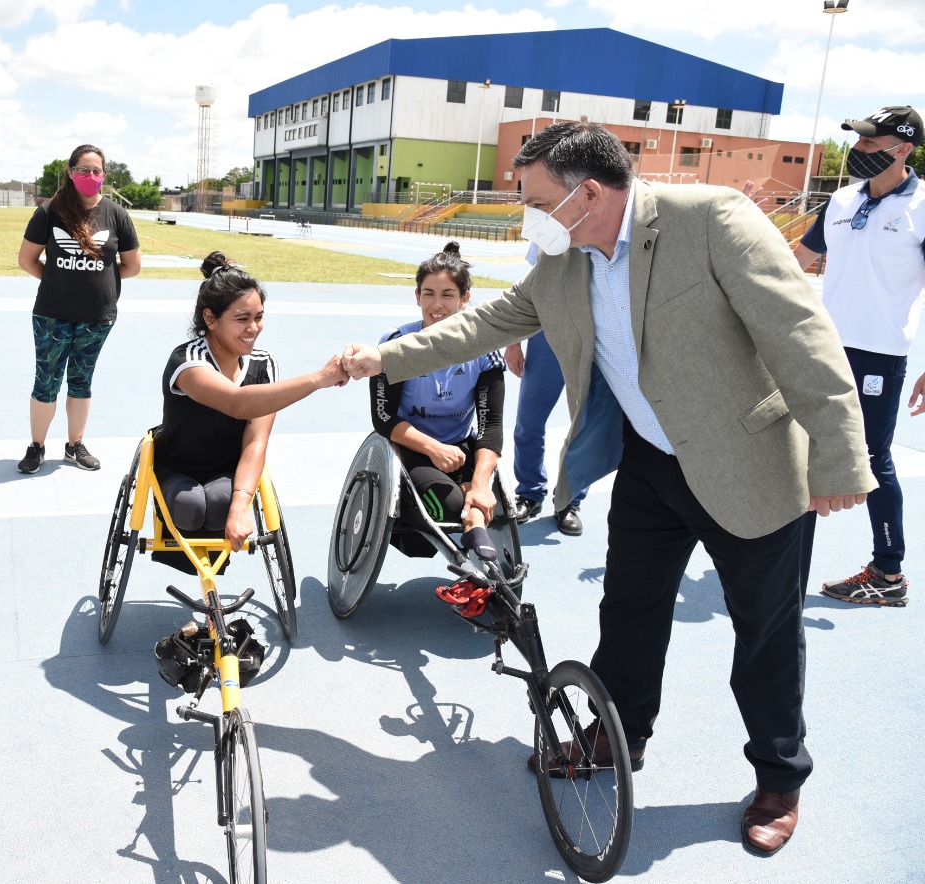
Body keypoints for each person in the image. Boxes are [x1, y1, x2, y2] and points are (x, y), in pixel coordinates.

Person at [341, 121, 875, 857]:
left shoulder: (712, 220)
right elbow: (487, 321)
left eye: (533, 201)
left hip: (747, 460)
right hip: (651, 464)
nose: (524, 215)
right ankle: (620, 732)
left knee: (765, 632)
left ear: (587, 192)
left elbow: (800, 333)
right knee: (628, 609)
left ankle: (779, 778)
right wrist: (384, 358)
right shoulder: (564, 262)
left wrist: (840, 459)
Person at [794, 105, 925, 607]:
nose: (860, 150)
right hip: (823, 348)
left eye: (872, 143)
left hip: (879, 355)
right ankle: (787, 565)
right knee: (802, 449)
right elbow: (797, 261)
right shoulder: (842, 199)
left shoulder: (920, 207)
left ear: (903, 149)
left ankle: (888, 575)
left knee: (870, 459)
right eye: (859, 141)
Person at [156, 252, 347, 550]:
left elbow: (256, 440)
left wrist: (240, 503)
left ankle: (210, 582)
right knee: (190, 508)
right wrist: (319, 379)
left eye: (258, 317)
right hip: (178, 467)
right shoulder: (187, 360)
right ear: (210, 318)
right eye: (242, 319)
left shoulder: (263, 364)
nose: (254, 328)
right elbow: (236, 403)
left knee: (220, 506)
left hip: (227, 471)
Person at [369, 241, 506, 558]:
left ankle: (473, 523)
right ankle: (466, 517)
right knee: (448, 506)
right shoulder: (396, 342)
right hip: (410, 446)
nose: (437, 304)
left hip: (460, 445)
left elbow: (492, 425)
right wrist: (433, 448)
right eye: (428, 293)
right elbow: (384, 418)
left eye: (447, 295)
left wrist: (481, 482)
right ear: (417, 296)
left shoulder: (485, 348)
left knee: (490, 501)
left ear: (464, 299)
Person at [17, 143, 141, 474]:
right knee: (46, 380)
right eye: (83, 170)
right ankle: (36, 446)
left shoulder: (117, 214)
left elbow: (131, 265)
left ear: (104, 175)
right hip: (51, 316)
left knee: (81, 380)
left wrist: (103, 282)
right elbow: (26, 260)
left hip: (97, 317)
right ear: (71, 172)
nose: (90, 176)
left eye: (96, 171)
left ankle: (75, 445)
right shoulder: (49, 211)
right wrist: (57, 281)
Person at [504, 329, 588, 535]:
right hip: (546, 334)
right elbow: (525, 296)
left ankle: (569, 500)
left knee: (584, 428)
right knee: (528, 422)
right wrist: (513, 343)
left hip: (590, 335)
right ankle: (529, 493)